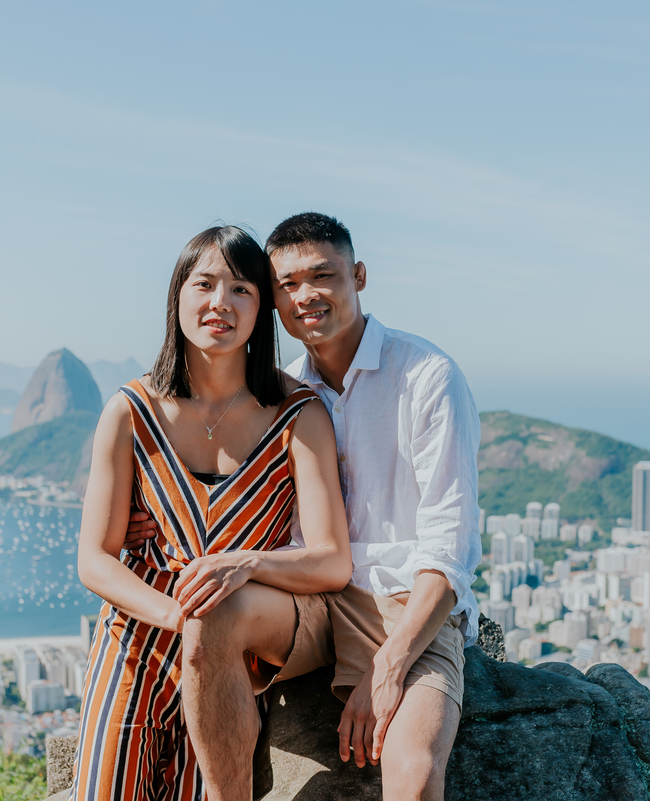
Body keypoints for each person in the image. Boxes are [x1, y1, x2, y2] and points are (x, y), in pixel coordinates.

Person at [126, 213, 481, 800]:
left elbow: (449, 554)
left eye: (322, 275)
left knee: (414, 777)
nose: (305, 296)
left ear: (359, 276)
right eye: (286, 284)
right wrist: (151, 523)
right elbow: (225, 491)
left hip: (401, 604)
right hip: (306, 601)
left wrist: (386, 670)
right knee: (208, 615)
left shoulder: (425, 377)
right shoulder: (281, 392)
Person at [71, 225, 352, 801]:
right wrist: (183, 620)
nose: (219, 303)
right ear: (178, 296)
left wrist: (245, 567)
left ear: (263, 309)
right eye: (204, 284)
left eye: (242, 289)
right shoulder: (130, 410)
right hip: (134, 643)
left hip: (233, 665)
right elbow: (95, 560)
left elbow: (330, 561)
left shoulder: (299, 415)